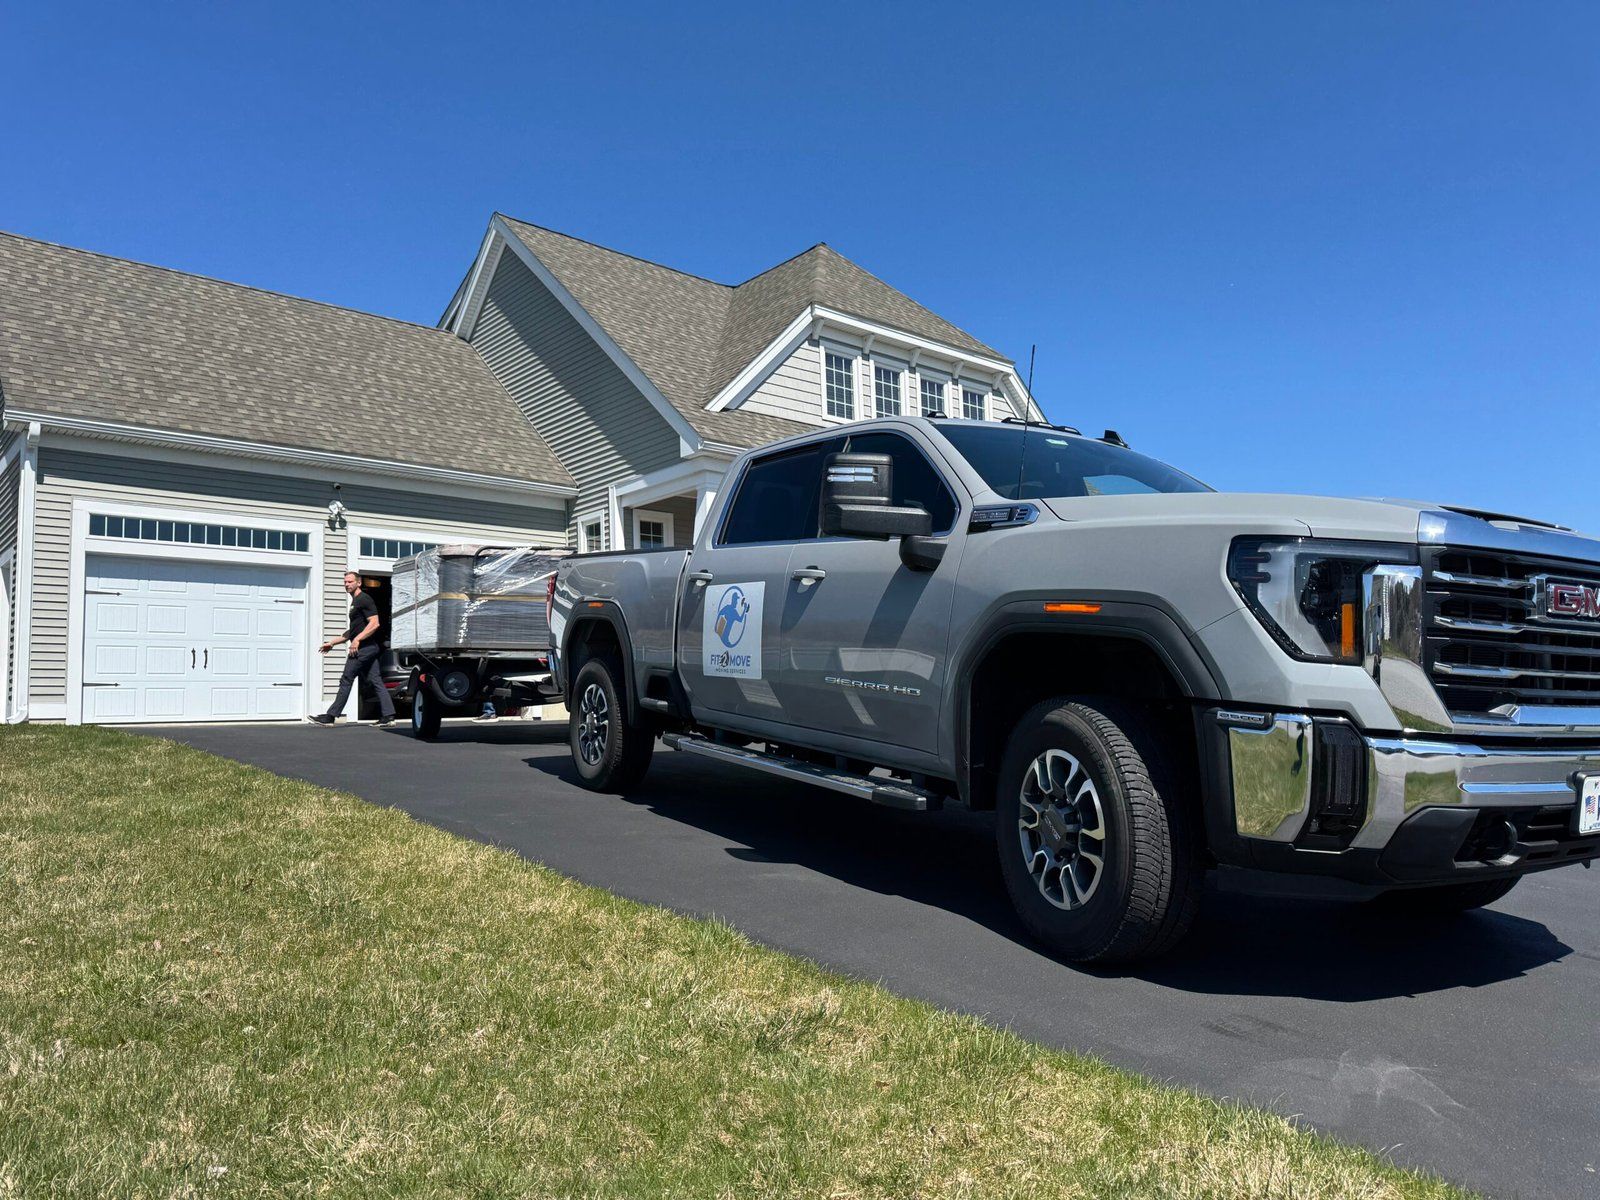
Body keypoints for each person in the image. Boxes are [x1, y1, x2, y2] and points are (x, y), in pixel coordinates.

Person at [312, 571, 395, 727]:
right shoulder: (356, 601)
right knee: (376, 680)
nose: (346, 584)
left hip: (363, 649)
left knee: (346, 679)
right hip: (369, 647)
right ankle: (388, 716)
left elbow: (374, 623)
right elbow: (353, 631)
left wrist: (357, 640)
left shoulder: (364, 599)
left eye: (350, 582)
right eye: (345, 582)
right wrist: (332, 643)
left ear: (359, 583)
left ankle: (330, 717)